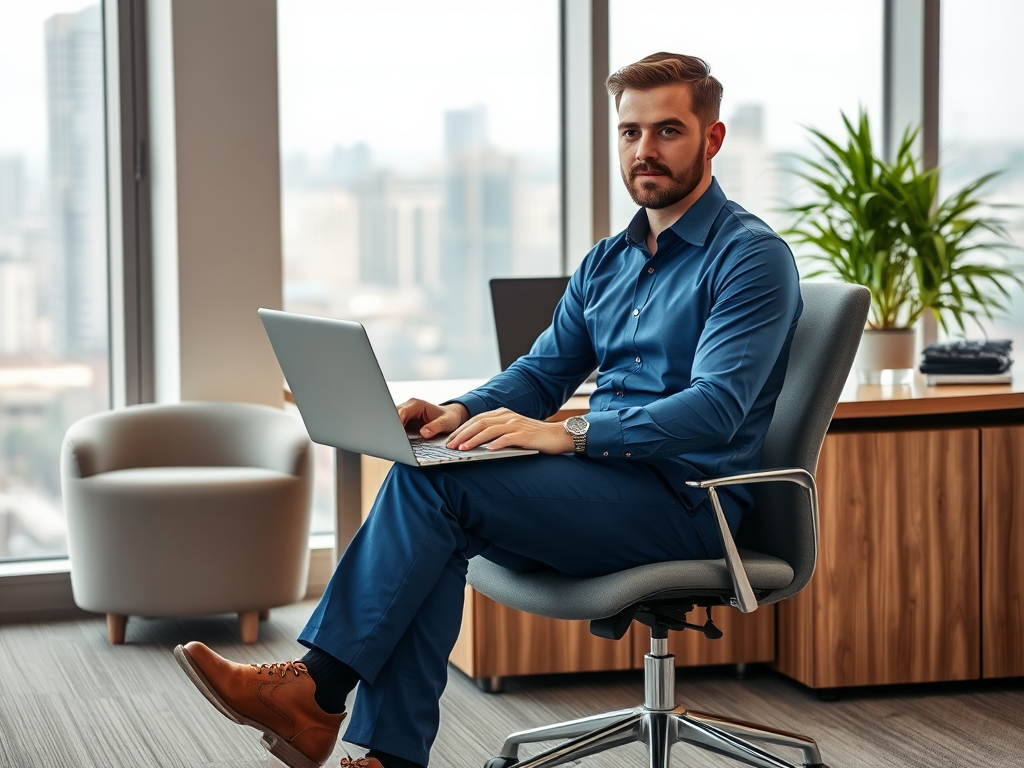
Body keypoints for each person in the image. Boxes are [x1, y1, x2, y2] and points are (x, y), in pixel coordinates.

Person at [173, 52, 803, 768]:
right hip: (608, 488)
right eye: (629, 133)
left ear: (712, 139)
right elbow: (540, 373)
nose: (644, 151)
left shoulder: (750, 258)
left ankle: (319, 693)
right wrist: (455, 410)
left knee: (433, 489)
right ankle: (382, 755)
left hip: (686, 503)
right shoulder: (609, 261)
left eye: (667, 132)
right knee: (432, 479)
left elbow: (716, 410)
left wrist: (571, 434)